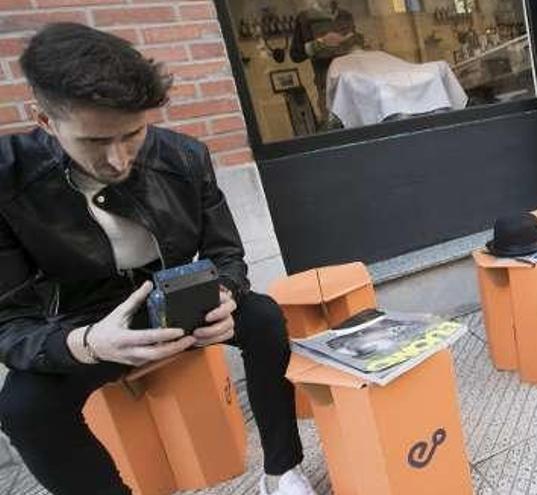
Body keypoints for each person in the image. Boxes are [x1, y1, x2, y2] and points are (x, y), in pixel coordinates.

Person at [0, 23, 315, 495]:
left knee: (265, 319)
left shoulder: (185, 157)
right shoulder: (8, 180)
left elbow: (225, 253)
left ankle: (282, 469)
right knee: (23, 408)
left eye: (132, 134)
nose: (118, 158)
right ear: (43, 119)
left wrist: (225, 293)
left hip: (181, 302)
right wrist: (87, 343)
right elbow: (9, 322)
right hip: (87, 324)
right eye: (93, 141)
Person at [290, 0, 362, 120]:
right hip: (327, 86)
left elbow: (354, 45)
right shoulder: (305, 18)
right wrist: (321, 43)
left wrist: (355, 43)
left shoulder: (345, 15)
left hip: (353, 83)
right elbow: (296, 55)